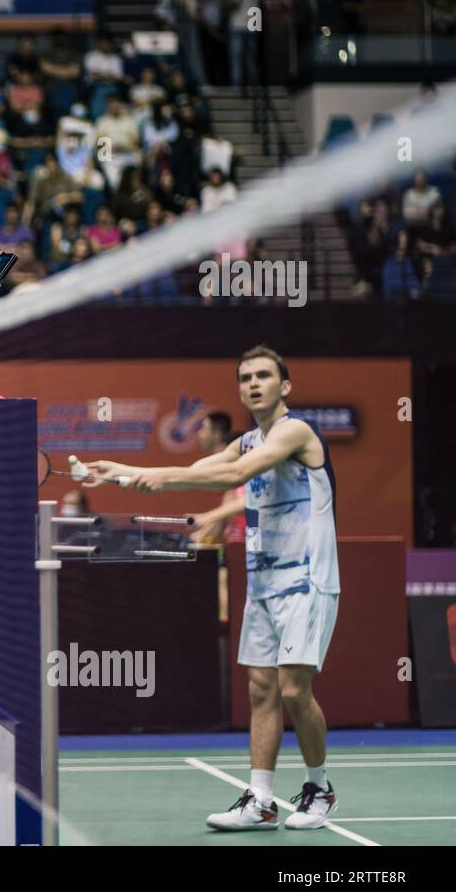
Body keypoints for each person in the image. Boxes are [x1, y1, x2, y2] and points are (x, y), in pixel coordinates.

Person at [84, 346, 340, 831]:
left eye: (265, 376)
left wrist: (159, 481)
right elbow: (206, 468)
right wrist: (125, 471)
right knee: (261, 688)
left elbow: (237, 475)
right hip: (264, 584)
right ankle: (261, 799)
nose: (254, 384)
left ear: (284, 386)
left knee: (292, 689)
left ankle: (319, 788)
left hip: (308, 580)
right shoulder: (246, 440)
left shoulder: (296, 431)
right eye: (246, 378)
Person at [191, 410, 245, 545]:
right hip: (236, 539)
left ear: (217, 434)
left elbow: (236, 502)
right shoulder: (220, 462)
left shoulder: (234, 462)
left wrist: (206, 522)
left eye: (203, 428)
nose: (199, 434)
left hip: (250, 538)